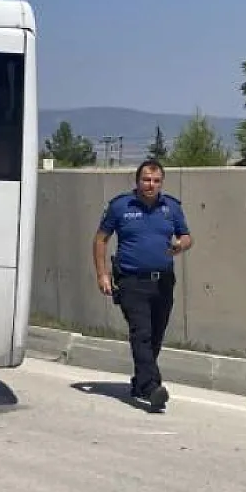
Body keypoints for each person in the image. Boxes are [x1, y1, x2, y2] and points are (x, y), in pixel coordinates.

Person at [93, 159, 192, 413]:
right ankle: (151, 388)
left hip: (163, 282)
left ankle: (140, 382)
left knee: (156, 336)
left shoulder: (171, 207)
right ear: (137, 181)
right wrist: (102, 275)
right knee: (142, 333)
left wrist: (181, 244)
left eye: (156, 180)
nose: (151, 185)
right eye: (146, 180)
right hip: (131, 281)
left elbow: (186, 236)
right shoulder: (120, 206)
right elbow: (101, 240)